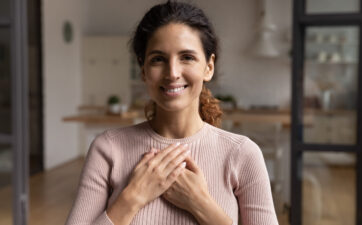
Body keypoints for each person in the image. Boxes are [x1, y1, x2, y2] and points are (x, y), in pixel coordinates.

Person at [65, 1, 278, 225]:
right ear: (143, 70)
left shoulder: (242, 155)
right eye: (158, 59)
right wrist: (132, 198)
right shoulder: (108, 149)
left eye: (187, 57)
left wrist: (201, 203)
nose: (173, 73)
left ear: (209, 67)